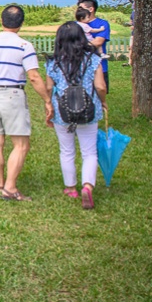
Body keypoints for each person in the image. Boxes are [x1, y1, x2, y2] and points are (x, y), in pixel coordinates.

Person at [0, 5, 54, 202]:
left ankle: (1, 182)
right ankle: (10, 188)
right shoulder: (24, 46)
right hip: (13, 94)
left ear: (1, 21)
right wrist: (47, 100)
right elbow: (33, 76)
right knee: (21, 144)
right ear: (21, 24)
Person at [45, 21, 108, 210]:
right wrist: (103, 101)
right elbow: (100, 86)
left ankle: (70, 187)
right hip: (89, 109)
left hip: (62, 111)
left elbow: (49, 87)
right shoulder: (93, 59)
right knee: (89, 152)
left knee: (67, 151)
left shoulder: (53, 62)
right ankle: (87, 185)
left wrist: (48, 105)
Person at [77, 0, 111, 94]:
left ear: (91, 9)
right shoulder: (76, 24)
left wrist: (77, 45)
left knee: (98, 96)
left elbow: (98, 42)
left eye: (81, 8)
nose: (78, 10)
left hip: (99, 66)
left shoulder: (102, 24)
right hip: (79, 67)